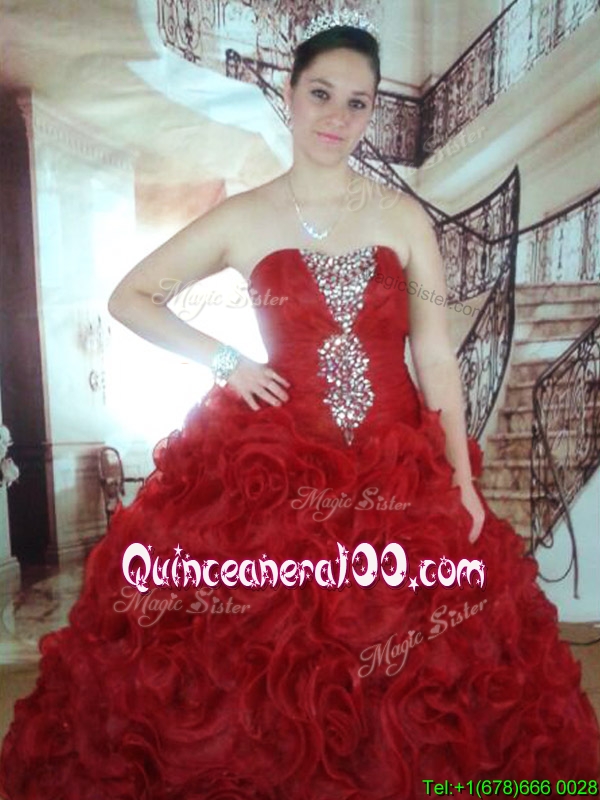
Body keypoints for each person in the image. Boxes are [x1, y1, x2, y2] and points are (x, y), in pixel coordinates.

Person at [1, 12, 599, 800]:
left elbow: (433, 356)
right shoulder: (244, 216)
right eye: (321, 94)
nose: (337, 117)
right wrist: (227, 361)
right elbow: (130, 296)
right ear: (288, 95)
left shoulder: (403, 218)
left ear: (371, 111)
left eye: (358, 102)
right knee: (258, 665)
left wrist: (460, 477)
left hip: (398, 472)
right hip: (274, 472)